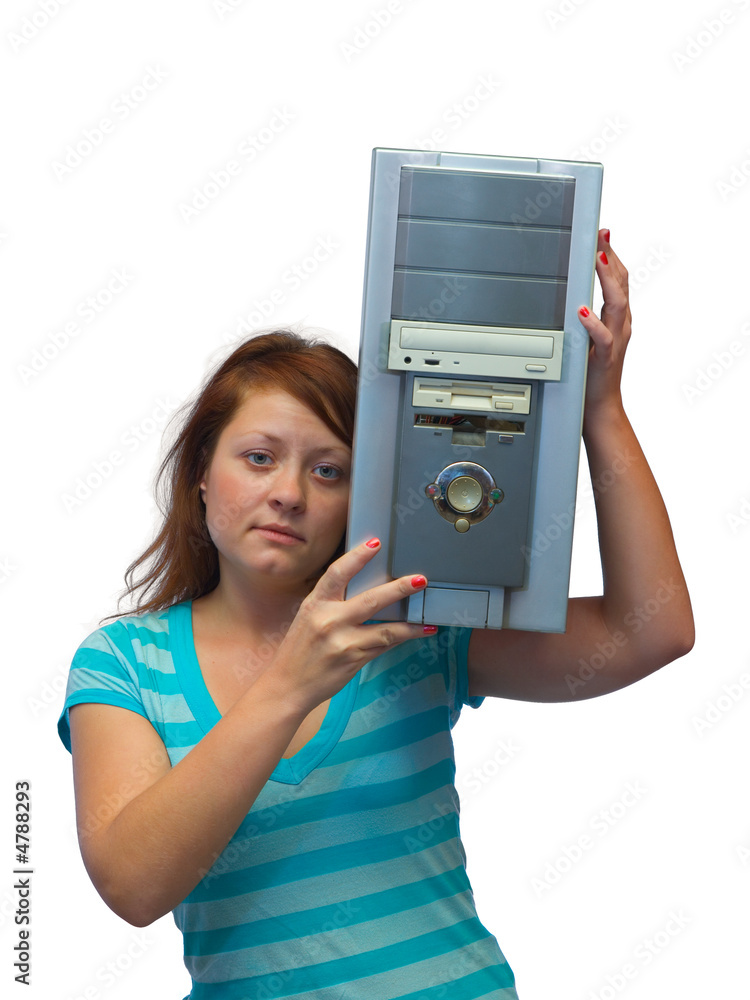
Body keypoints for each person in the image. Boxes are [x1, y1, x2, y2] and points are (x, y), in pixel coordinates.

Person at [58, 231, 694, 999]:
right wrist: (291, 682)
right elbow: (133, 885)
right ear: (199, 471)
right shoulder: (124, 662)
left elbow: (650, 631)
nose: (289, 493)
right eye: (258, 458)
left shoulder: (413, 624)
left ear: (362, 497)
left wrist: (601, 410)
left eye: (329, 471)